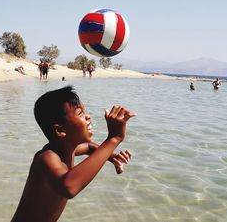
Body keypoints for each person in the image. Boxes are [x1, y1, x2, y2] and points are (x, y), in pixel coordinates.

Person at [11, 86, 135, 222]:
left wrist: (110, 156)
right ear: (60, 130)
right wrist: (113, 138)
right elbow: (69, 187)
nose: (88, 116)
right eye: (80, 113)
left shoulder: (69, 148)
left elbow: (89, 147)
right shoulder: (46, 158)